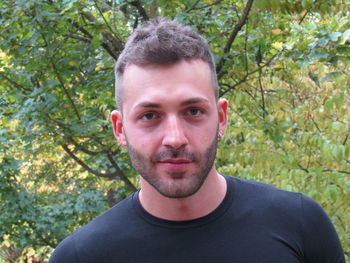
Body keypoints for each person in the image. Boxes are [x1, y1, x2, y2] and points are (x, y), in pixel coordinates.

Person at [49, 18, 345, 263]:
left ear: (222, 117)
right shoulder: (79, 257)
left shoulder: (300, 224)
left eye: (193, 111)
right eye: (150, 116)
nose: (175, 138)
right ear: (120, 128)